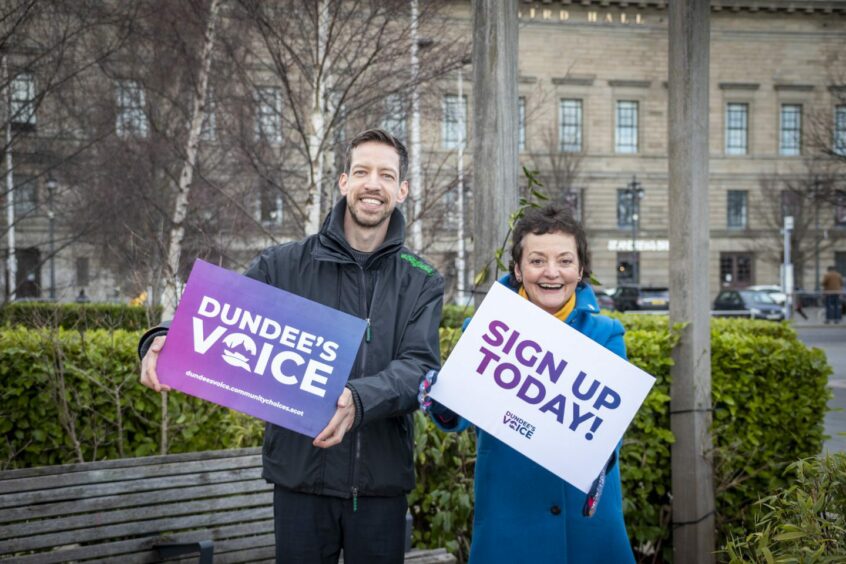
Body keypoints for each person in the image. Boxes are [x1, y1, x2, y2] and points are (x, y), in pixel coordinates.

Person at [139, 128, 444, 563]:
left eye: (385, 174)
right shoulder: (282, 264)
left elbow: (418, 368)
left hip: (379, 487)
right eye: (361, 172)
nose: (372, 184)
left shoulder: (422, 280)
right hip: (301, 480)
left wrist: (359, 399)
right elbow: (217, 315)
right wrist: (162, 336)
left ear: (403, 189)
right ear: (344, 182)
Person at [419, 204, 634, 563]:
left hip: (585, 525)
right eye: (537, 261)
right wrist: (439, 396)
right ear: (518, 269)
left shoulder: (607, 335)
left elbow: (612, 427)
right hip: (510, 515)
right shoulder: (486, 328)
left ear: (581, 270)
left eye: (565, 261)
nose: (552, 273)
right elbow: (457, 416)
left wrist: (601, 459)